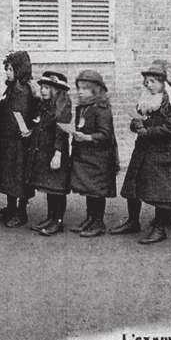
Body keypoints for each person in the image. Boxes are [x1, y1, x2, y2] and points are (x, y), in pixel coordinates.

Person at [111, 60, 171, 244]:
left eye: (153, 81)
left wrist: (148, 131)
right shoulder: (145, 99)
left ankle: (159, 228)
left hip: (164, 153)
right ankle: (132, 221)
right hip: (143, 150)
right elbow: (137, 120)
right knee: (133, 186)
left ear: (164, 83)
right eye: (147, 81)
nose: (148, 84)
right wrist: (136, 124)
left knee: (161, 193)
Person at [63, 70, 119, 238]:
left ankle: (98, 222)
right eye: (79, 88)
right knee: (88, 189)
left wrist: (87, 137)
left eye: (85, 89)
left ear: (95, 90)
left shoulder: (101, 108)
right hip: (85, 155)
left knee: (96, 191)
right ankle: (90, 218)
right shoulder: (83, 107)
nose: (80, 92)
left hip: (98, 157)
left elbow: (105, 134)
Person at [27, 71, 73, 236]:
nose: (43, 91)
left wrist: (58, 154)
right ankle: (50, 217)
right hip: (45, 151)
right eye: (42, 87)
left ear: (56, 90)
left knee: (57, 188)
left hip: (56, 151)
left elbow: (61, 132)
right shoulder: (45, 104)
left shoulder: (63, 105)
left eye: (47, 88)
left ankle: (58, 221)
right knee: (50, 187)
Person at [0, 51, 37, 228]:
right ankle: (11, 207)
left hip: (18, 142)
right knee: (9, 176)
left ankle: (21, 212)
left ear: (20, 70)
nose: (8, 73)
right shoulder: (13, 88)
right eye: (7, 69)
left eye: (10, 69)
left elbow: (19, 114)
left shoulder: (21, 90)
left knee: (18, 178)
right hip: (9, 141)